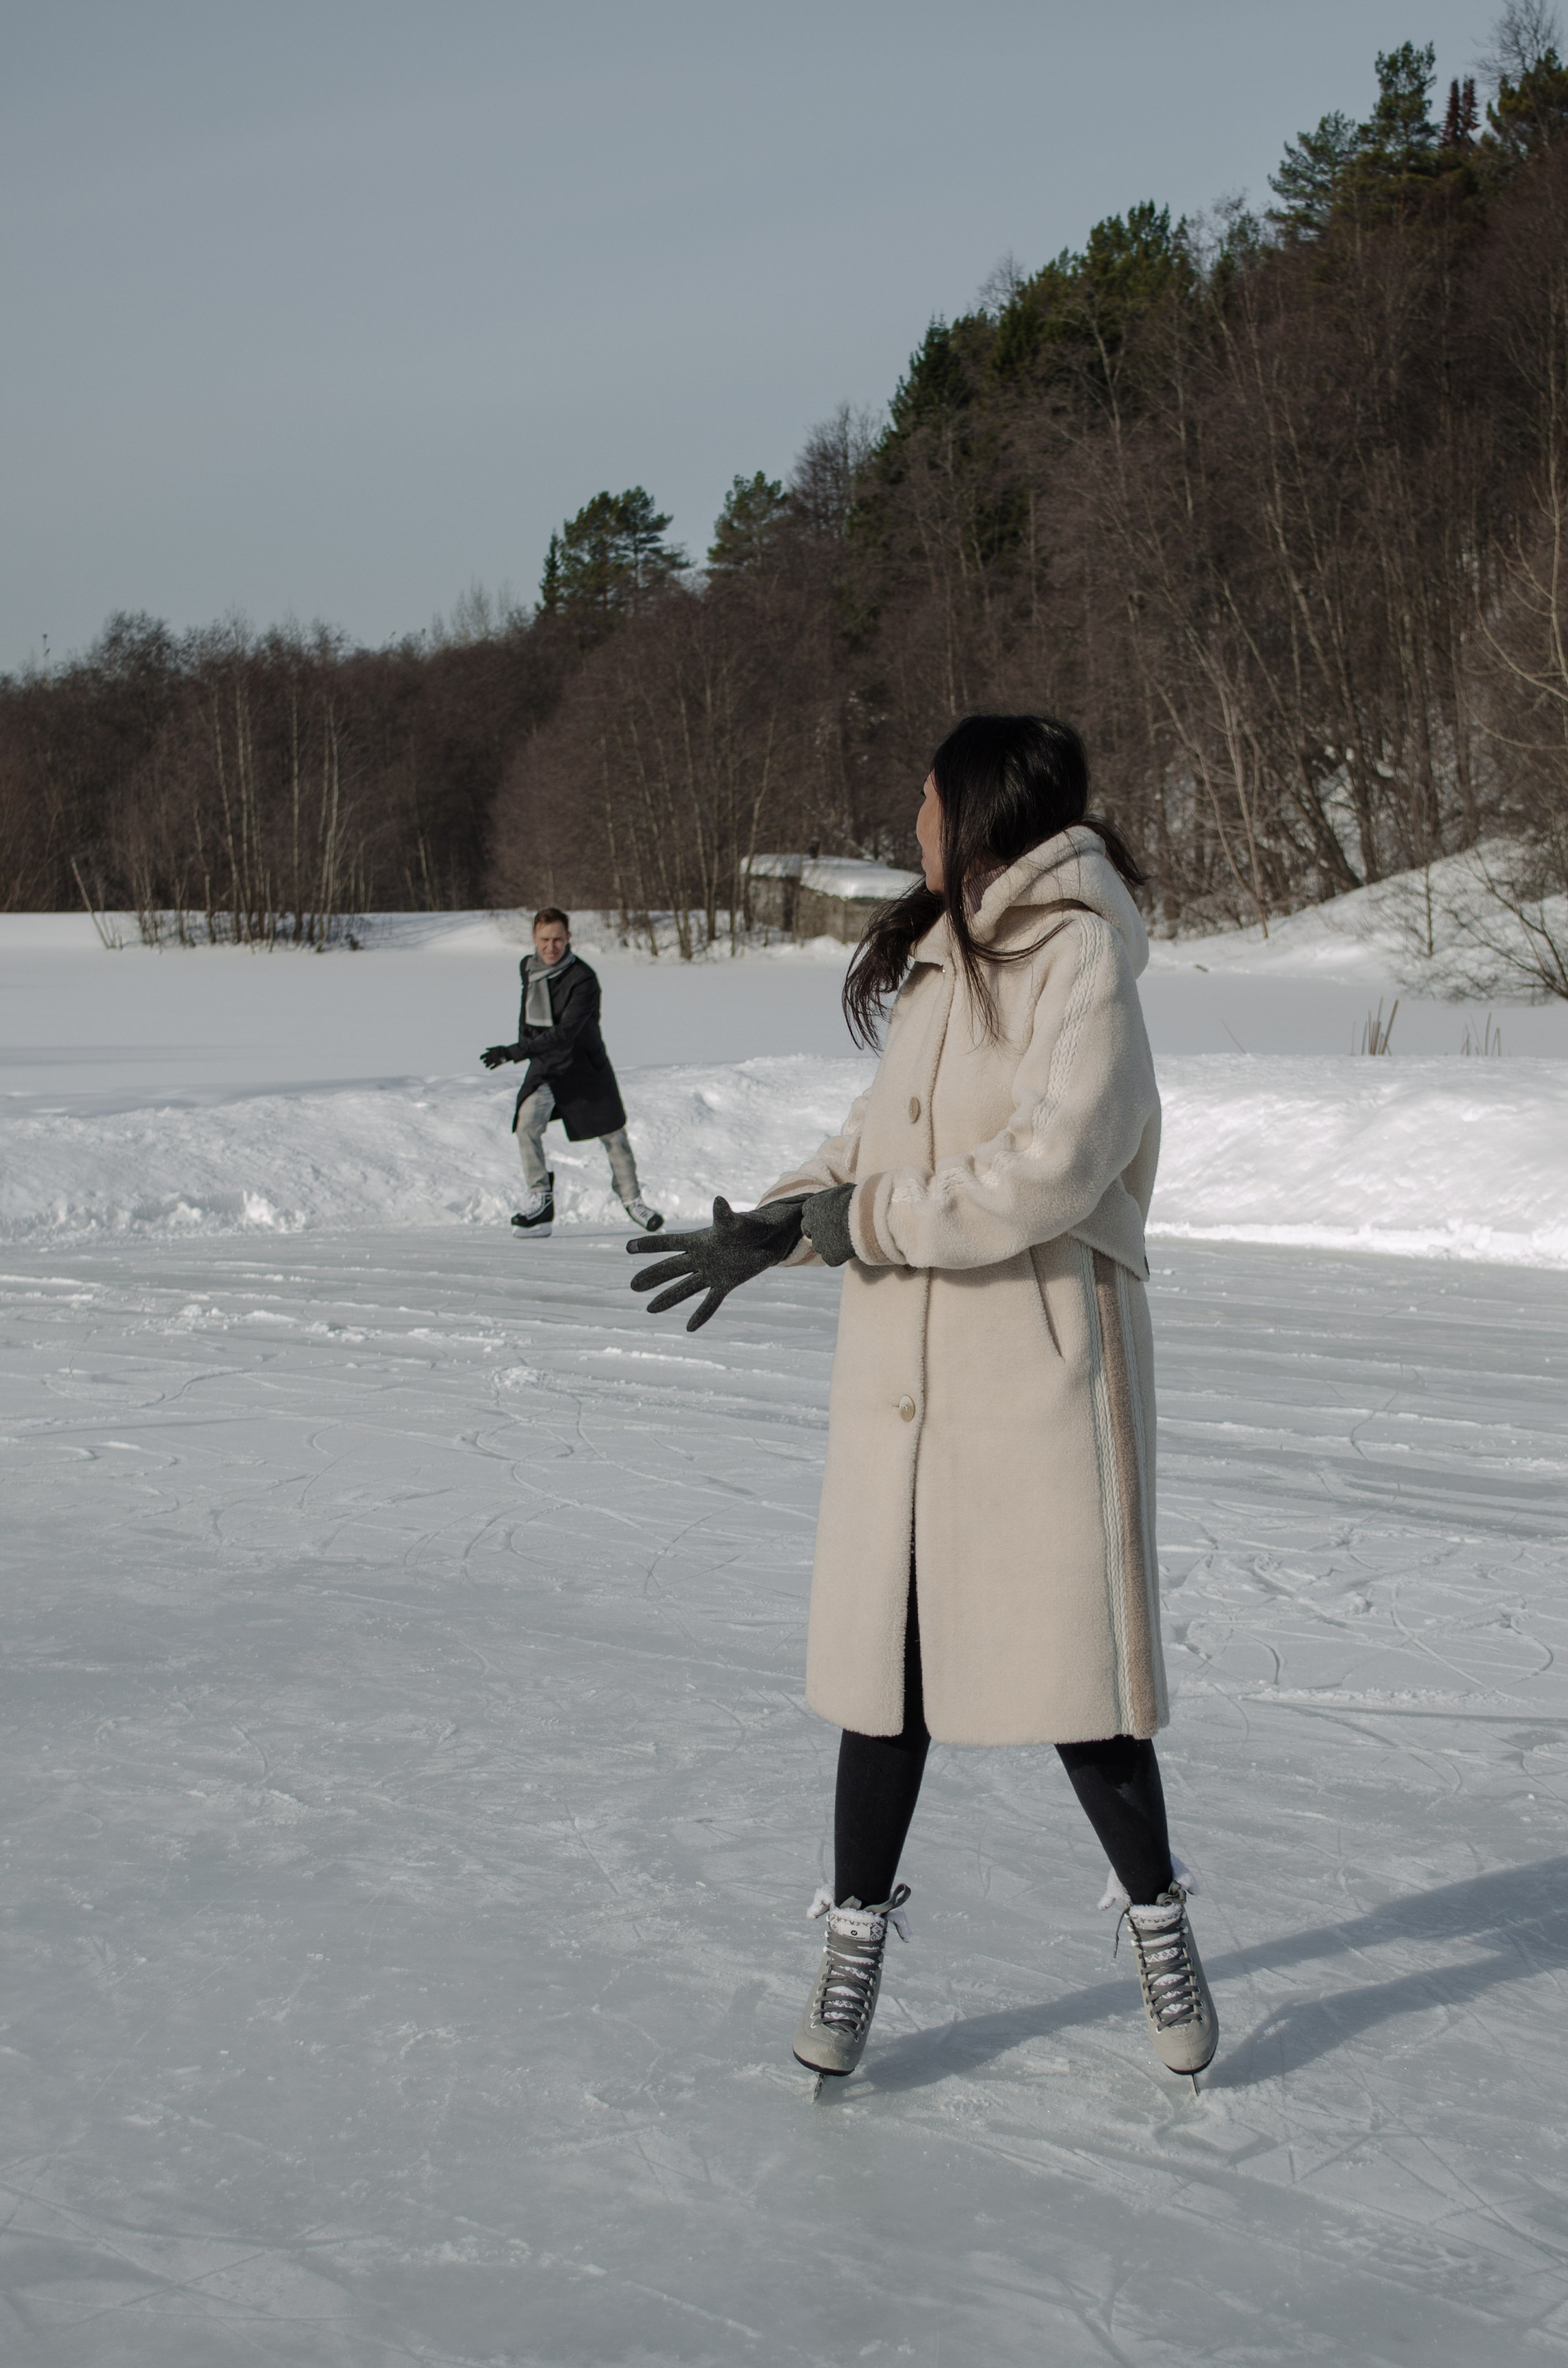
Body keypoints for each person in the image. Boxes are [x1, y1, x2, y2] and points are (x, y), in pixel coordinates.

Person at [628, 714, 1217, 2087]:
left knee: (1081, 1685)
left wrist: (861, 1219)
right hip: (907, 1376)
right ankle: (851, 1942)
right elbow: (878, 1143)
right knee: (880, 1684)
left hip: (1032, 1370)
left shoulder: (1081, 960)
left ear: (980, 808)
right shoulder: (943, 966)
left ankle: (1157, 1919)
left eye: (925, 799)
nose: (911, 823)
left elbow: (1052, 1167)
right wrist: (779, 1223)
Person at [483, 908, 663, 1236]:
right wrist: (525, 1044)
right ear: (534, 940)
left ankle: (632, 1199)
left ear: (569, 939)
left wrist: (515, 1051)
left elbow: (566, 1032)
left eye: (557, 940)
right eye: (544, 940)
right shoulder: (529, 968)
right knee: (526, 1125)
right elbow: (529, 1014)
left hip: (583, 1066)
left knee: (613, 1133)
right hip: (546, 1066)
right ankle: (540, 1200)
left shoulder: (583, 978)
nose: (551, 947)